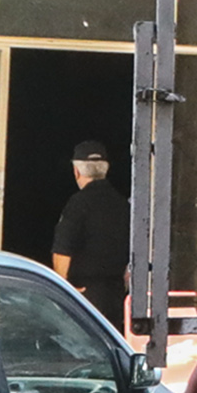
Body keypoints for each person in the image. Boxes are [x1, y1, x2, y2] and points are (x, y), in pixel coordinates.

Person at [50, 141, 130, 331]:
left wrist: (63, 288)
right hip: (117, 294)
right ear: (105, 169)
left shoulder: (78, 204)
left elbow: (62, 250)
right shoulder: (122, 204)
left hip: (85, 293)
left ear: (77, 171)